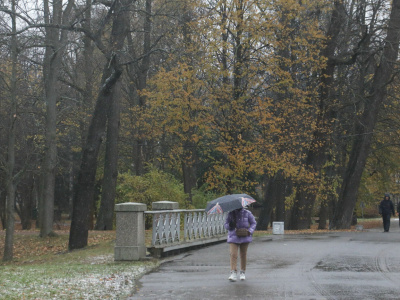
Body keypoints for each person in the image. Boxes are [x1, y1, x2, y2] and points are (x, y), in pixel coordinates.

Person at [224, 207, 257, 282]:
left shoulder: (247, 213)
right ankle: (233, 272)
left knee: (243, 254)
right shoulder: (231, 214)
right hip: (233, 236)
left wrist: (249, 231)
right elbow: (226, 225)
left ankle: (242, 272)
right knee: (233, 254)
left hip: (245, 236)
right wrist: (230, 225)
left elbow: (253, 223)